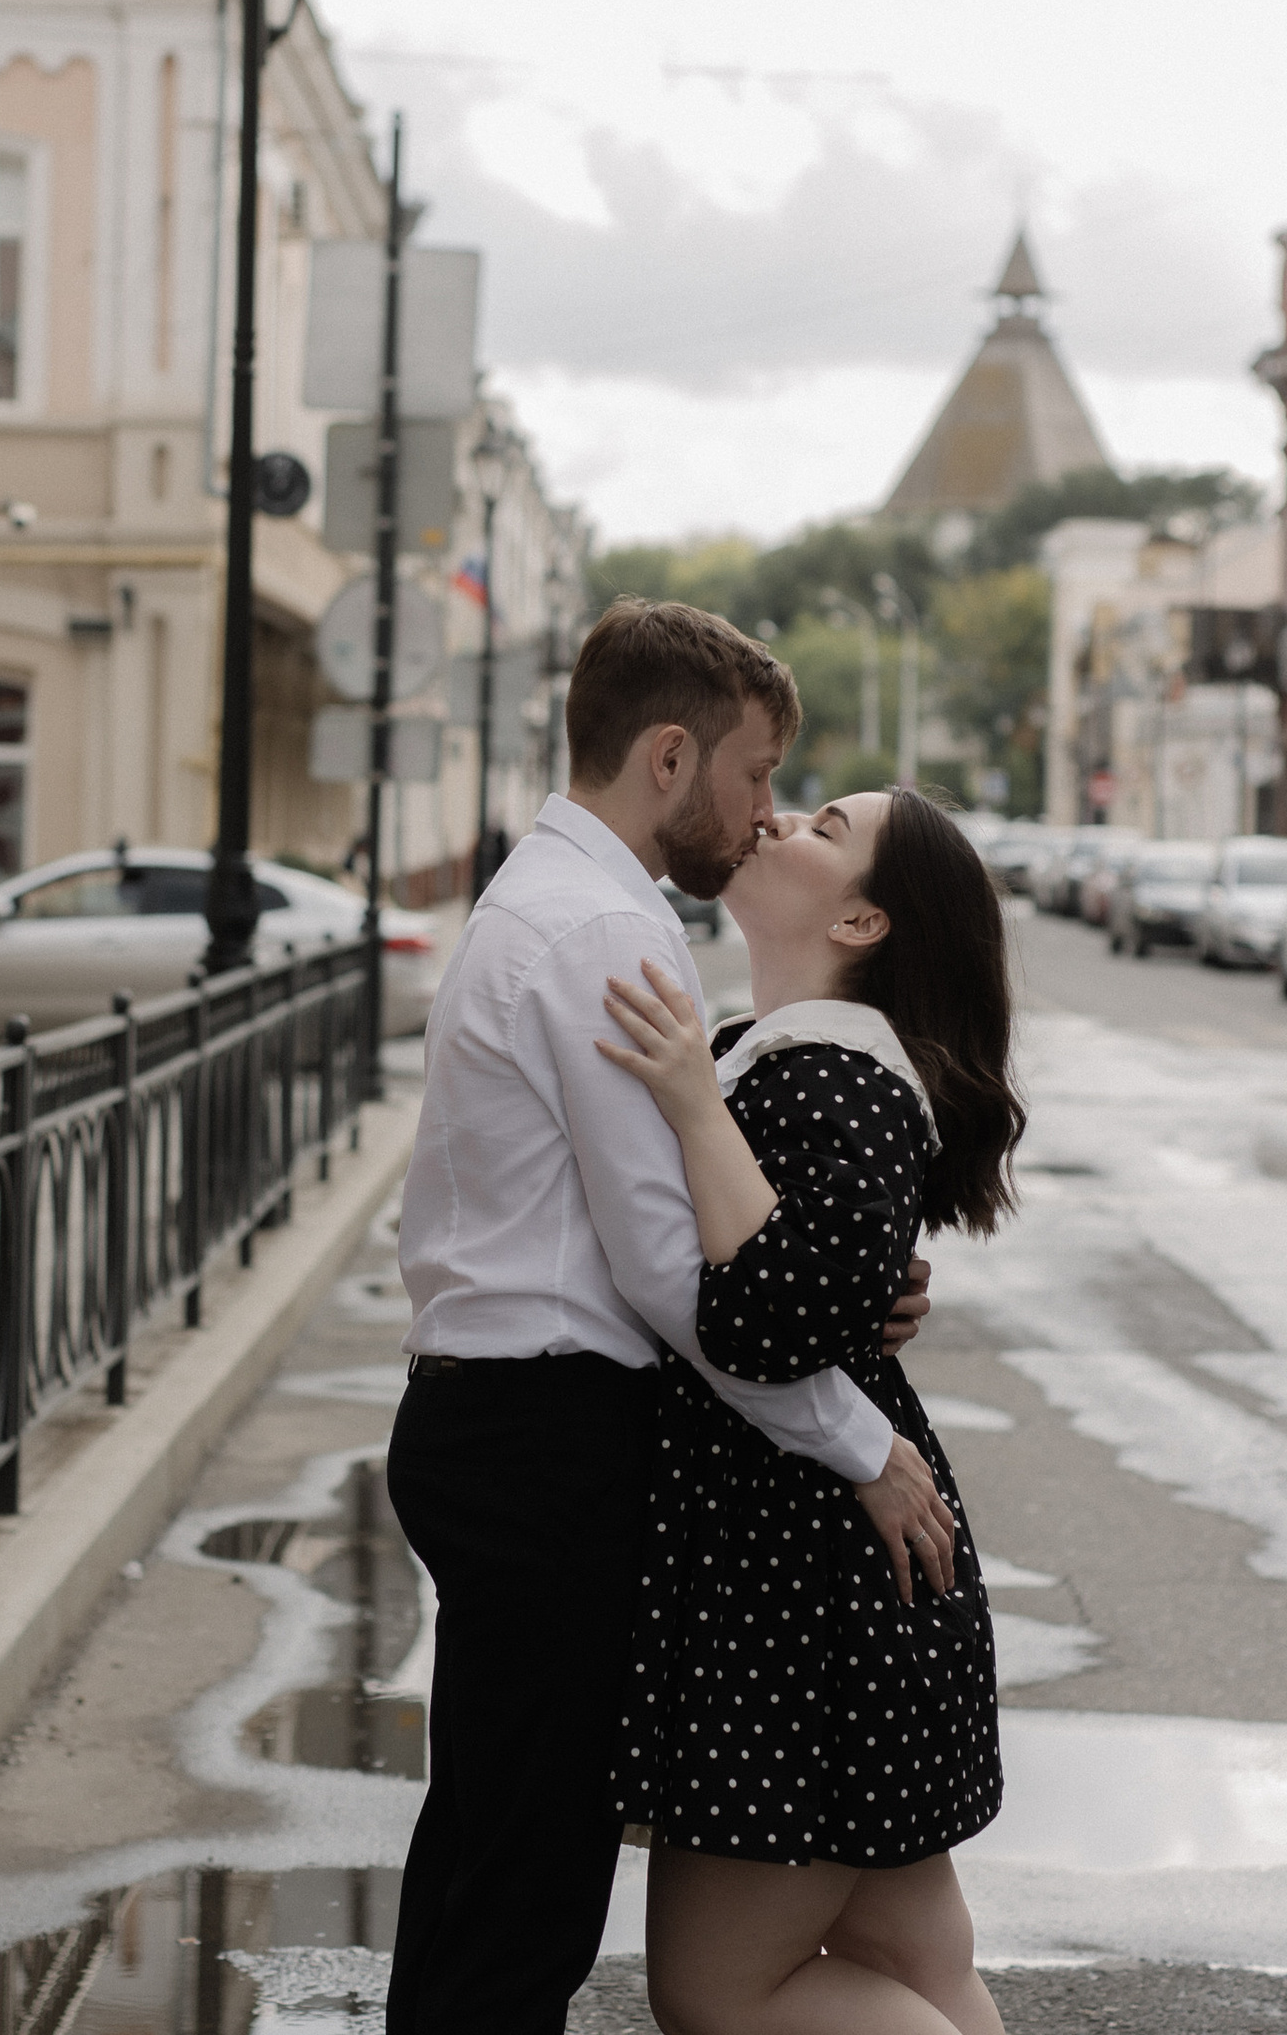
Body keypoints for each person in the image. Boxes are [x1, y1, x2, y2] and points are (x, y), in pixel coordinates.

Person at [385, 600, 953, 2035]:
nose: (763, 815)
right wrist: (854, 1443)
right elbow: (669, 1273)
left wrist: (846, 1274)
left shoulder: (577, 907)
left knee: (490, 1854)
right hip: (544, 1435)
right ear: (668, 757)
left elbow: (719, 1229)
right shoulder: (592, 935)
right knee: (523, 1892)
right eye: (759, 777)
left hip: (514, 1425)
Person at [598, 784, 1024, 2035]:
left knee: (721, 1990)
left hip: (802, 1603)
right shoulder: (782, 1055)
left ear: (861, 921)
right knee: (912, 1962)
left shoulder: (833, 1075)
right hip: (834, 1583)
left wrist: (686, 1100)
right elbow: (808, 1292)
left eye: (823, 829)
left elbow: (760, 1323)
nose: (780, 821)